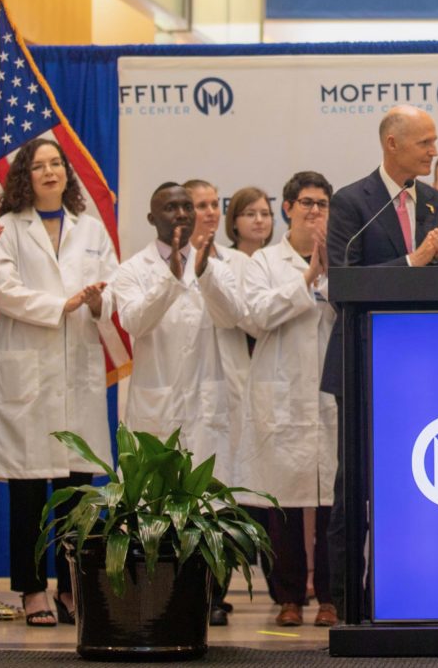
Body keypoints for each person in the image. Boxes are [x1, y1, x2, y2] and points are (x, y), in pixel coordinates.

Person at [322, 105, 438, 613]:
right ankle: (347, 600)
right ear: (392, 144)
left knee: (418, 484)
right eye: (425, 143)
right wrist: (415, 259)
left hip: (422, 368)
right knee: (355, 485)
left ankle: (414, 588)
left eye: (435, 141)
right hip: (362, 364)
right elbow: (343, 283)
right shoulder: (351, 203)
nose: (433, 151)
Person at [0, 138, 118, 627]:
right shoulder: (8, 227)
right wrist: (60, 305)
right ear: (26, 177)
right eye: (38, 166)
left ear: (66, 172)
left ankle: (71, 586)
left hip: (77, 371)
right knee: (27, 489)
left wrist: (99, 300)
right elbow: (5, 290)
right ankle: (32, 590)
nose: (49, 171)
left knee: (78, 491)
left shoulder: (91, 228)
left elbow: (111, 285)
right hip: (29, 373)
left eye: (55, 163)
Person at [242, 171, 337, 629]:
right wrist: (306, 279)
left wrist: (330, 272)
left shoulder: (344, 257)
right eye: (305, 203)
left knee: (332, 503)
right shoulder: (263, 261)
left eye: (321, 203)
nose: (313, 210)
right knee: (281, 503)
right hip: (281, 395)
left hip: (328, 394)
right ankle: (289, 597)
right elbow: (257, 315)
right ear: (287, 208)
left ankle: (333, 598)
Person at [111, 183, 244, 478]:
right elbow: (135, 322)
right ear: (151, 218)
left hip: (206, 407)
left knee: (207, 508)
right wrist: (170, 280)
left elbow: (231, 317)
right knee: (153, 509)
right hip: (156, 407)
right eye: (171, 208)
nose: (182, 214)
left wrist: (204, 274)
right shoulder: (132, 269)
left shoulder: (216, 268)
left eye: (187, 207)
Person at [181, 179, 267, 627]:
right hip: (184, 394)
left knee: (226, 496)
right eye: (201, 205)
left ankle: (217, 591)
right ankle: (186, 589)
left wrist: (208, 272)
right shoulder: (163, 262)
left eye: (216, 204)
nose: (211, 212)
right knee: (189, 498)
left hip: (231, 390)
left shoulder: (237, 262)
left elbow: (241, 315)